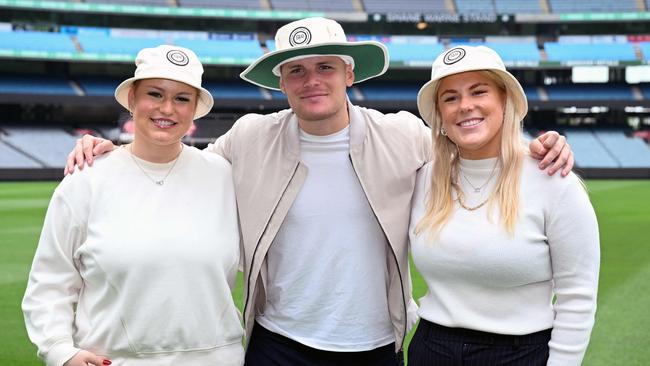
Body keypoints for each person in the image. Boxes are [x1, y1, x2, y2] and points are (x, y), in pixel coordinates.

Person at [63, 18, 574, 365]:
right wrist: (112, 150)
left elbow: (473, 142)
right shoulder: (248, 137)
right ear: (281, 82)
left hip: (377, 345)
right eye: (297, 70)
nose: (312, 80)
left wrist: (538, 145)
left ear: (349, 73)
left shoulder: (403, 135)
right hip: (276, 344)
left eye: (325, 66)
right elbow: (176, 164)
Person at [22, 45, 244, 366]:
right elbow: (50, 281)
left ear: (195, 108)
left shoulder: (224, 174)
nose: (167, 108)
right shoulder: (86, 179)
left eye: (182, 98)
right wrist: (60, 351)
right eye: (154, 94)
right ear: (132, 100)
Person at [408, 45, 600, 365]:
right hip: (432, 348)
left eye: (478, 92)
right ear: (440, 115)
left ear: (505, 101)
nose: (465, 106)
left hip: (520, 353)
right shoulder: (421, 180)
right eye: (450, 97)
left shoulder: (554, 181)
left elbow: (577, 296)